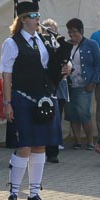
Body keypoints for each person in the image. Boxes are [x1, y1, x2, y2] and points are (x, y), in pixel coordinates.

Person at [0, 0, 70, 200]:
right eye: (33, 16)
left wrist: (66, 67)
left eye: (38, 16)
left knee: (40, 146)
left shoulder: (45, 39)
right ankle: (13, 193)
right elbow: (6, 76)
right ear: (23, 19)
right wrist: (7, 103)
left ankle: (34, 194)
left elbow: (56, 63)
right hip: (22, 98)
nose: (37, 19)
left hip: (45, 99)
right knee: (24, 146)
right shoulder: (12, 43)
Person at [64, 18, 100, 150]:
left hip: (85, 84)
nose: (72, 35)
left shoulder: (91, 44)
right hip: (69, 84)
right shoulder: (66, 45)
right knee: (72, 114)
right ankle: (77, 141)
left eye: (74, 31)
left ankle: (90, 141)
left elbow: (98, 64)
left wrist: (93, 82)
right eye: (69, 32)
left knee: (84, 113)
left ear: (81, 31)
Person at [42, 18, 69, 164]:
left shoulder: (59, 44)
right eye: (46, 29)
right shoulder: (38, 43)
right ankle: (39, 148)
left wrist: (68, 67)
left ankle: (52, 151)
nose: (49, 32)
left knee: (54, 119)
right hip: (40, 84)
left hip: (56, 85)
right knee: (41, 118)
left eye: (52, 30)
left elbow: (68, 61)